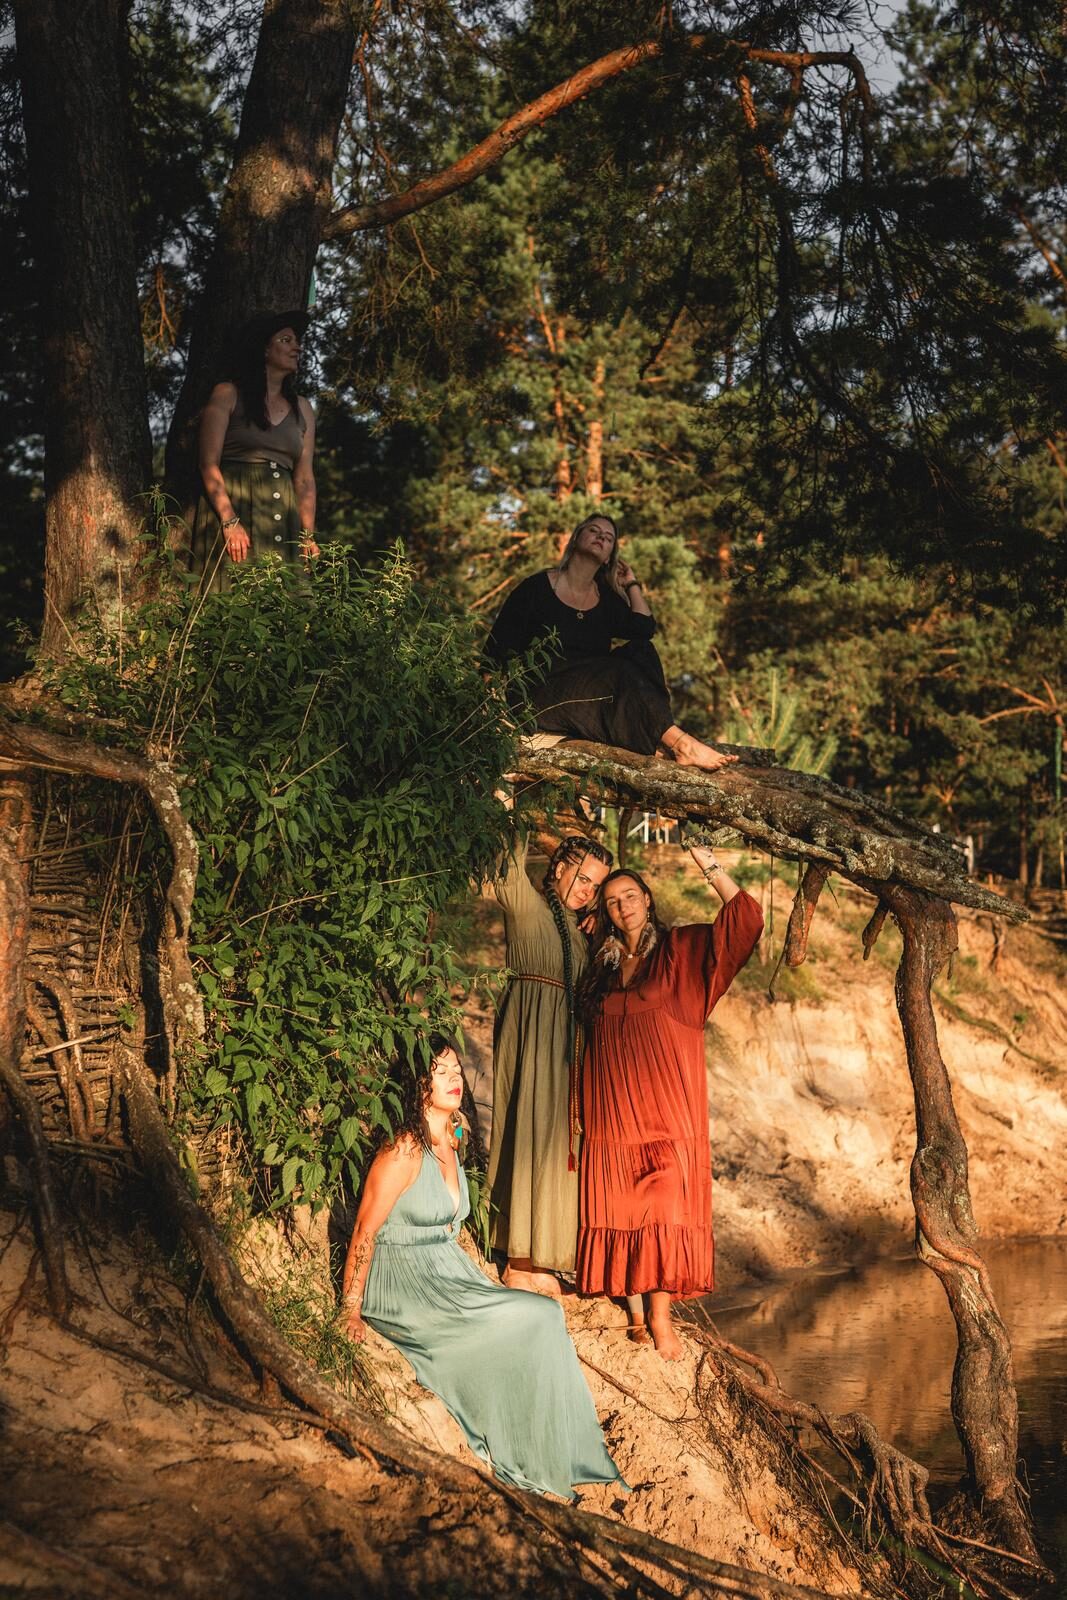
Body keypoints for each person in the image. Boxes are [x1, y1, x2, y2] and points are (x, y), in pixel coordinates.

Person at [339, 1036, 624, 1500]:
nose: (455, 1079)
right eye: (441, 1072)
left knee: (543, 1315)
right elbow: (364, 1232)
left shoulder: (452, 1140)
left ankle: (551, 1447)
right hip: (405, 1284)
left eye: (457, 1070)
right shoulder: (403, 1150)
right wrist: (350, 1309)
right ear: (419, 1083)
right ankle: (524, 1451)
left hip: (445, 1273)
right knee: (537, 1315)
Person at [574, 848, 763, 1359]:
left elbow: (745, 921)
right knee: (621, 1206)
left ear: (648, 898)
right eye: (612, 901)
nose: (623, 906)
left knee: (662, 1206)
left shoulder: (679, 950)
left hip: (666, 1109)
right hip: (611, 1109)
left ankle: (660, 1316)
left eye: (630, 895)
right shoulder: (602, 962)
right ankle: (634, 1310)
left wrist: (708, 863)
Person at [484, 513, 737, 772]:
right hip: (540, 692)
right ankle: (682, 744)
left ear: (608, 557)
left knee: (642, 651)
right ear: (576, 538)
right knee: (618, 671)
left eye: (608, 538)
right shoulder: (536, 588)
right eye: (594, 531)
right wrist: (486, 704)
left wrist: (631, 584)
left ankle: (659, 735)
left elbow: (644, 629)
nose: (601, 537)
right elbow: (498, 645)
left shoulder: (604, 599)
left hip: (589, 694)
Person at [488, 833, 612, 1298]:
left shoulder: (582, 934)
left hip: (568, 1048)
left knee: (561, 1146)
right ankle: (518, 1259)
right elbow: (506, 864)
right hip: (530, 1034)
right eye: (582, 878)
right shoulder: (528, 907)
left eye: (595, 886)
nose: (586, 890)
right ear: (559, 868)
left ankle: (544, 1254)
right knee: (526, 1135)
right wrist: (509, 805)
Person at [190, 310, 320, 590]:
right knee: (233, 595)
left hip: (284, 517)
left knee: (287, 601)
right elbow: (208, 463)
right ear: (264, 349)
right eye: (286, 340)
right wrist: (229, 520)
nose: (297, 348)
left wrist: (307, 536)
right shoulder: (228, 394)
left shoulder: (303, 408)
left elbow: (304, 479)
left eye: (297, 341)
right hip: (235, 506)